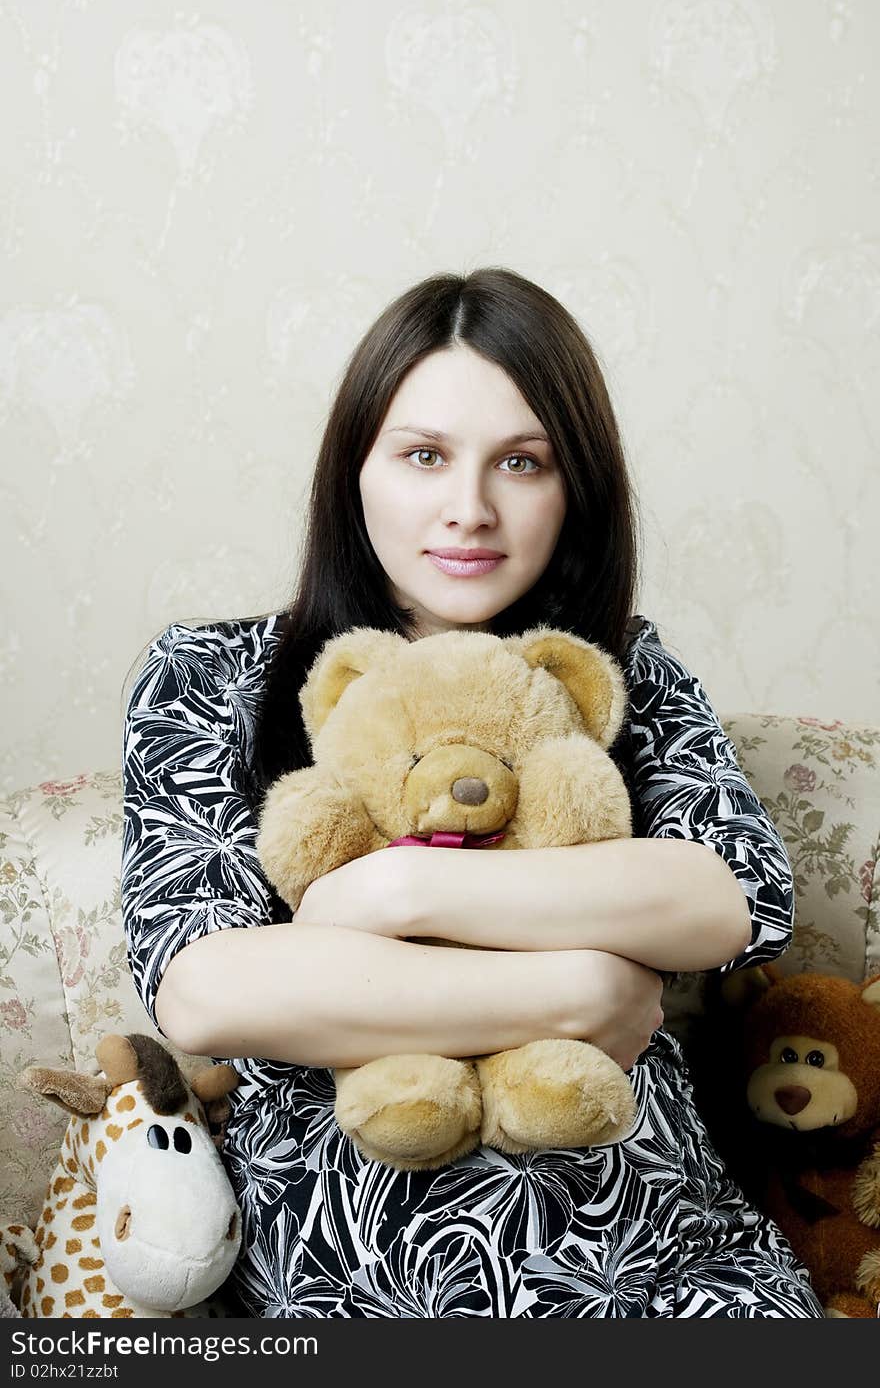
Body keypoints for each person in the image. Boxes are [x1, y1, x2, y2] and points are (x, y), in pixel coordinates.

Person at [120, 267, 824, 1318]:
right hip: (352, 1287)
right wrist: (575, 993)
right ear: (353, 471)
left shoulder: (617, 669)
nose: (469, 510)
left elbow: (724, 897)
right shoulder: (212, 674)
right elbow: (206, 991)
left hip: (665, 1268)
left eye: (521, 462)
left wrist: (394, 894)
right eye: (422, 456)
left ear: (572, 483)